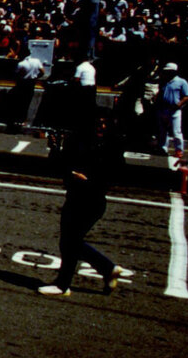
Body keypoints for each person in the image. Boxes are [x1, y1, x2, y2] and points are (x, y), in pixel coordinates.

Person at [39, 114, 130, 297]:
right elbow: (61, 166)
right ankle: (106, 271)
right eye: (98, 122)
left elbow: (116, 176)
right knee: (69, 242)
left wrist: (88, 181)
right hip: (74, 196)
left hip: (92, 200)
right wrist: (55, 149)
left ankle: (64, 284)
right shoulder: (81, 142)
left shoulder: (112, 148)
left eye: (105, 123)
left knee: (71, 242)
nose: (101, 127)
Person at [154, 62, 188, 158]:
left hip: (174, 110)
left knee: (176, 131)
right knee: (162, 130)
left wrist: (179, 104)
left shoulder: (182, 82)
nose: (166, 73)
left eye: (169, 71)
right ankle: (163, 148)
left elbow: (187, 96)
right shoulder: (163, 81)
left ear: (174, 72)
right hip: (162, 109)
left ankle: (179, 150)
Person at [7, 49, 45, 131]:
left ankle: (16, 119)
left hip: (22, 82)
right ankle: (23, 119)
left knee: (19, 102)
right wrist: (36, 77)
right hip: (31, 82)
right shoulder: (36, 61)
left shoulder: (21, 64)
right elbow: (42, 72)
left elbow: (16, 74)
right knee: (27, 101)